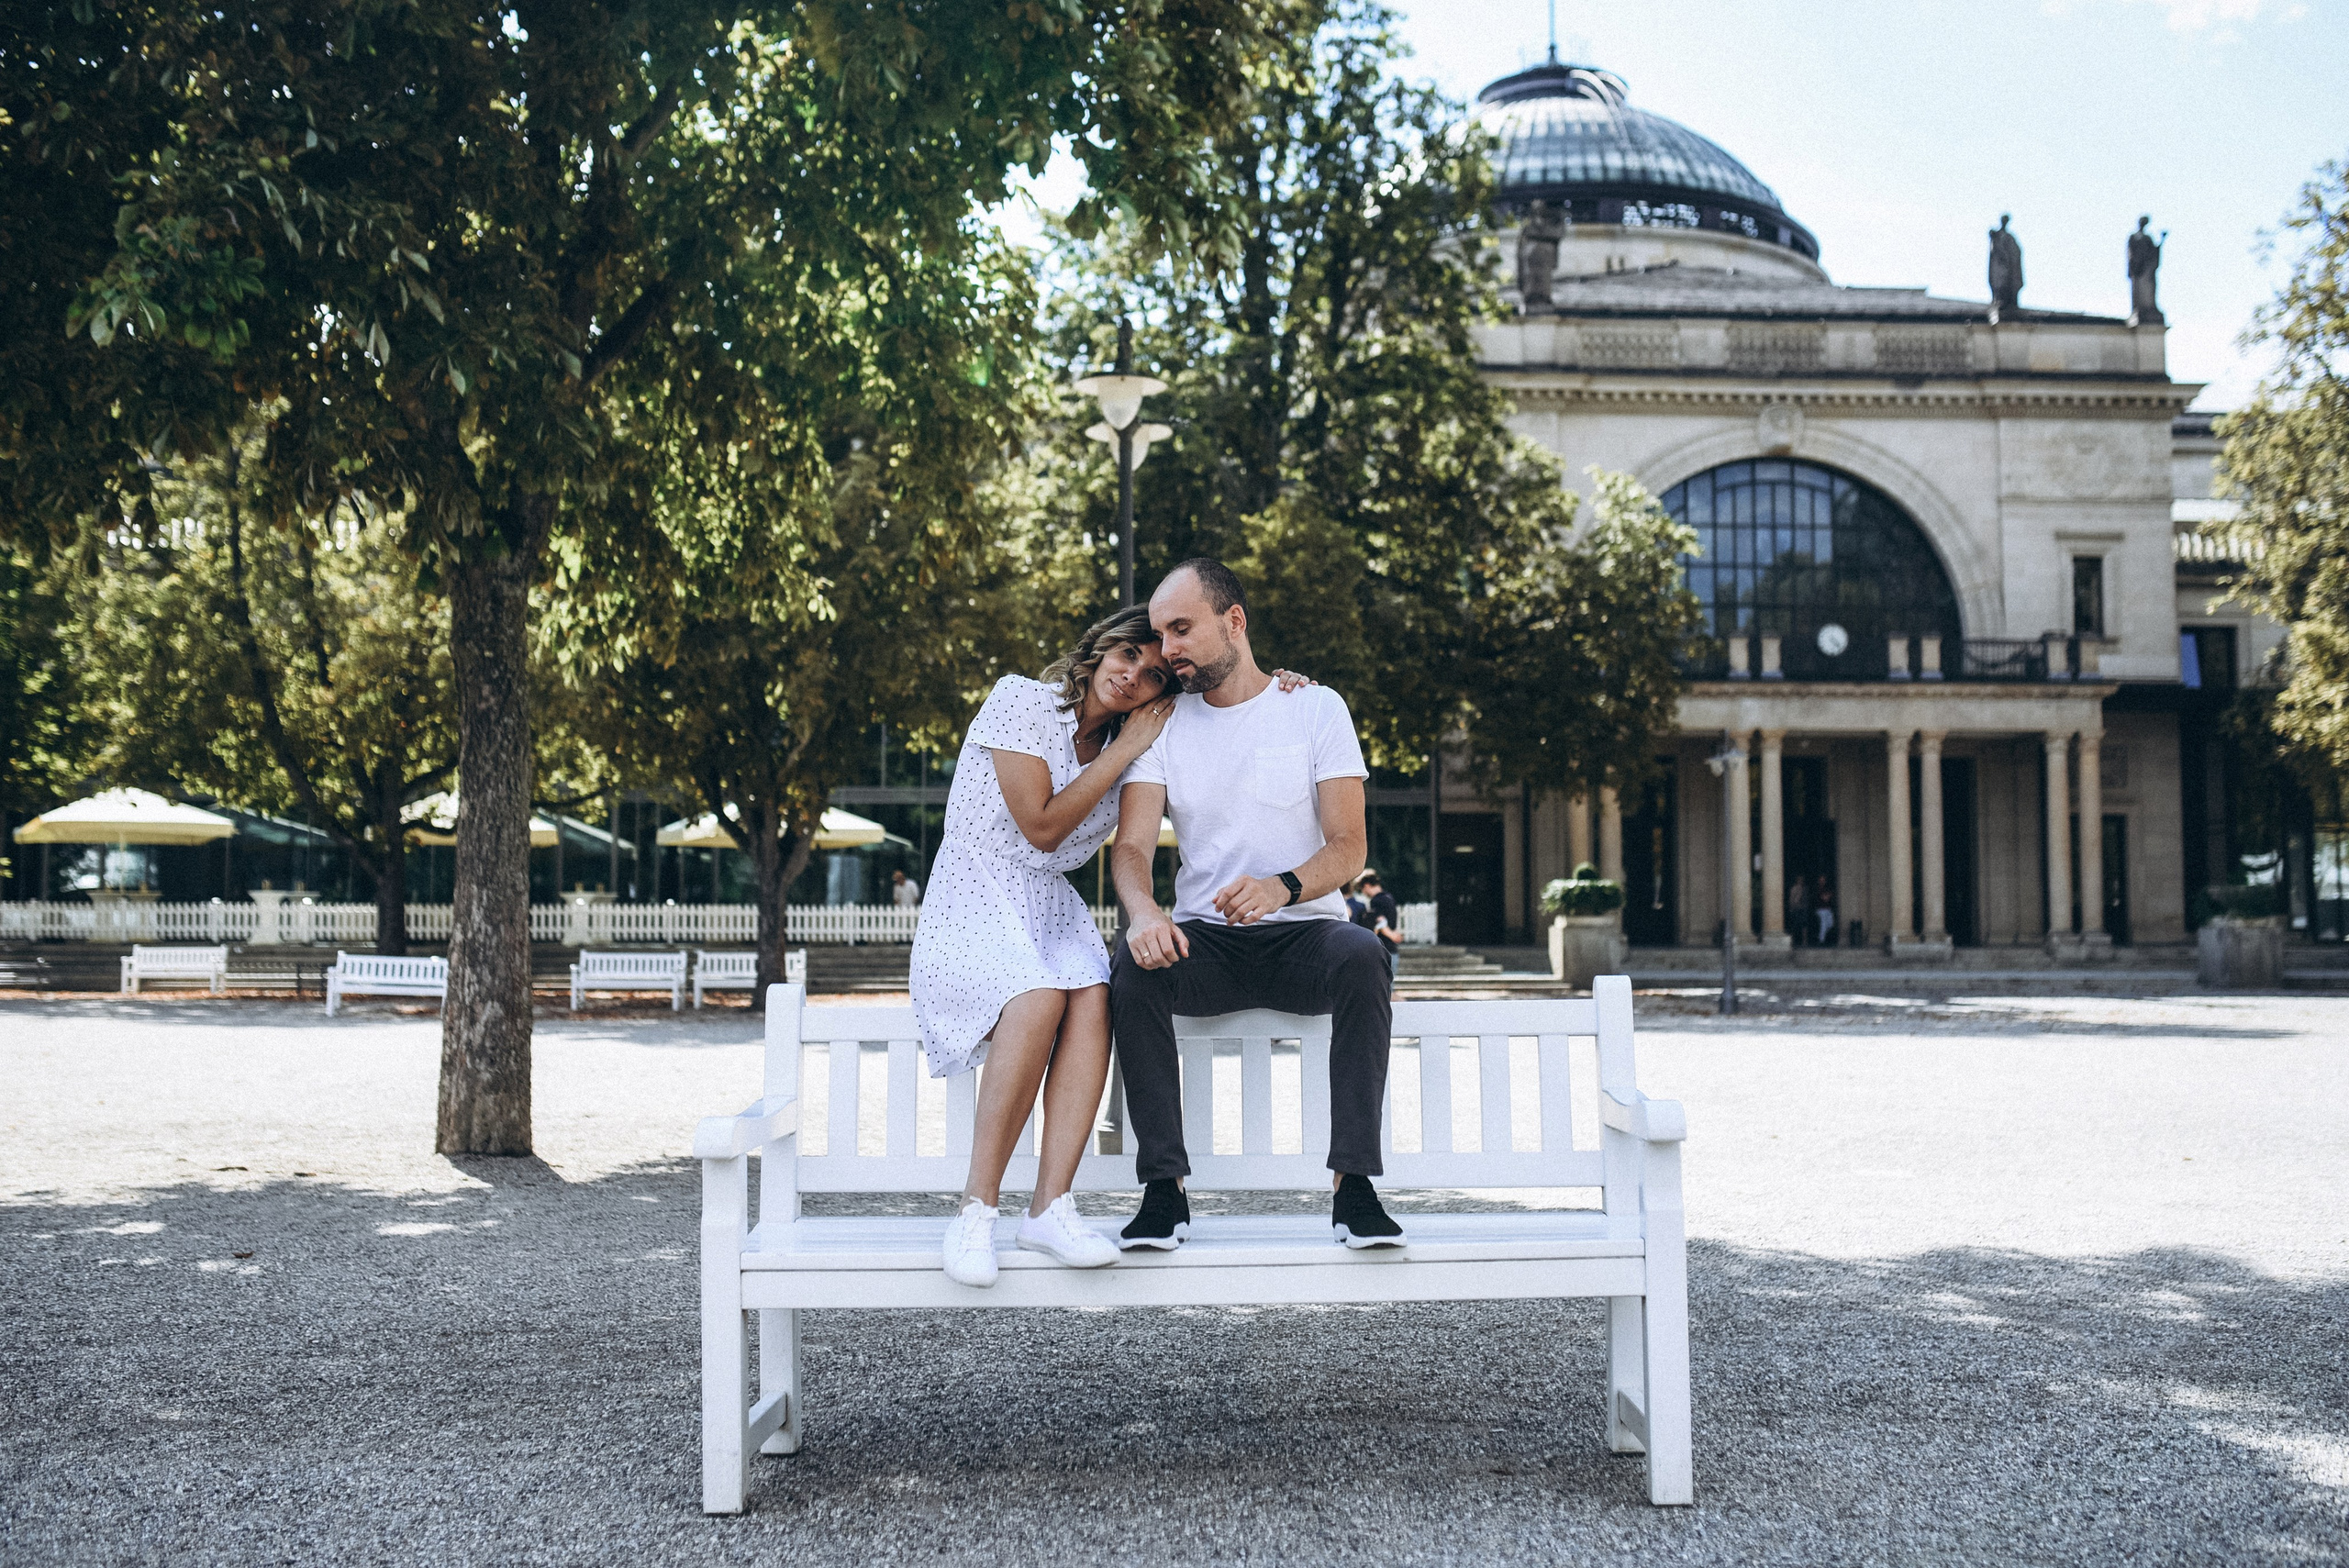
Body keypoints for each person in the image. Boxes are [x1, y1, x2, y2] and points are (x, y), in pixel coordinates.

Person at [909, 606, 1317, 1288]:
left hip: (1046, 908)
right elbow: (1040, 826)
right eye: (1127, 655)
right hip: (973, 893)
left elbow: (1232, 717)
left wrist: (1283, 688)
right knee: (1038, 997)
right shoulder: (1020, 700)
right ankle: (976, 1211)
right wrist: (1127, 750)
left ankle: (1049, 1206)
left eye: (1154, 674)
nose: (1133, 676)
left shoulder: (1142, 745)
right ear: (1099, 651)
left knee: (1096, 993)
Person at [1109, 558, 1407, 1251]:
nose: (1168, 648)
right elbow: (1130, 850)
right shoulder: (1162, 724)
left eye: (1181, 629)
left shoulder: (1314, 707)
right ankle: (1163, 1191)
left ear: (1234, 621)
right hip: (1204, 942)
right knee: (1131, 965)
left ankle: (1355, 1184)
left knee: (1365, 955)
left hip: (1305, 937)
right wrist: (1146, 915)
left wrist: (1283, 887)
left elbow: (1349, 845)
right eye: (1161, 634)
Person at [1357, 870, 1402, 979]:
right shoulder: (1388, 897)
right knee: (1390, 988)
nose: (1363, 892)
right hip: (1393, 949)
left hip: (1384, 948)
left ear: (1367, 885)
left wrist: (1392, 935)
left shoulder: (1376, 901)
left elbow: (1380, 922)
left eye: (1362, 889)